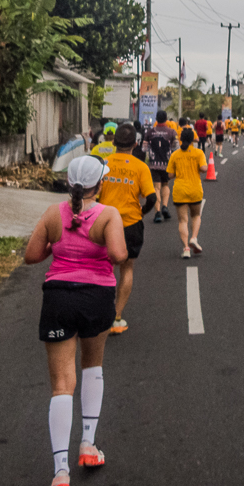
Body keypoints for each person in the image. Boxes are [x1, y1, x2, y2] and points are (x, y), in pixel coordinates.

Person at [25, 155, 127, 486]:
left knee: (61, 385)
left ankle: (60, 472)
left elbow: (31, 255)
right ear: (102, 183)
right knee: (92, 366)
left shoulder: (54, 214)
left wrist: (60, 250)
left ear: (69, 183)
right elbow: (118, 255)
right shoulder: (108, 214)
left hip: (57, 296)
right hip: (96, 297)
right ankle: (87, 444)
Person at [99, 123, 157, 335]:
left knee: (102, 268)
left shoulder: (102, 164)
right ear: (135, 143)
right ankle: (116, 317)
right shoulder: (141, 167)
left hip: (103, 223)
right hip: (131, 224)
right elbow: (152, 198)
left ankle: (98, 312)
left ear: (113, 142)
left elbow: (92, 195)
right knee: (127, 268)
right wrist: (141, 212)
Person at [166, 127, 208, 258]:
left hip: (180, 191)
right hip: (195, 190)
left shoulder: (175, 155)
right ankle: (194, 238)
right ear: (192, 140)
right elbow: (204, 168)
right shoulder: (199, 153)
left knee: (182, 221)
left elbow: (170, 175)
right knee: (196, 216)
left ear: (181, 139)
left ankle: (185, 249)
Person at [145, 111, 177, 222]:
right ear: (166, 119)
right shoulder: (172, 132)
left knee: (156, 188)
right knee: (165, 185)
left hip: (154, 164)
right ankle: (165, 206)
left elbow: (144, 148)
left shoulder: (150, 132)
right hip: (167, 163)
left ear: (156, 119)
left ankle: (157, 213)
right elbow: (175, 148)